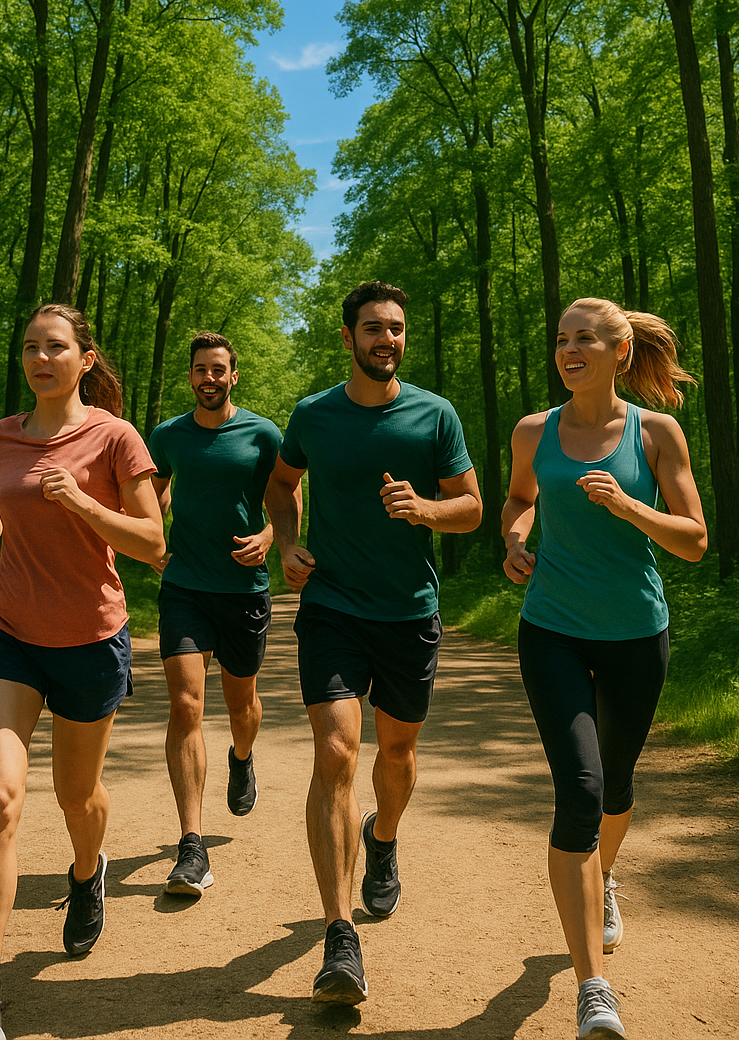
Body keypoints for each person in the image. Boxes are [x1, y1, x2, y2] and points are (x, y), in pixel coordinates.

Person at [0, 304, 165, 1040]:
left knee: (77, 793)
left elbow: (152, 544)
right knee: (0, 797)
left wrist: (83, 505)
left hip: (90, 639)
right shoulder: (0, 435)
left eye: (56, 347)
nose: (41, 358)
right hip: (7, 631)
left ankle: (86, 868)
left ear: (86, 359)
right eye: (30, 347)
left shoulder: (114, 437)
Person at [266, 280, 482, 1005]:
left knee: (397, 754)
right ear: (347, 337)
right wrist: (288, 544)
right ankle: (339, 935)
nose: (385, 340)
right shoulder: (314, 415)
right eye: (372, 329)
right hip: (331, 606)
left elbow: (474, 508)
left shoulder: (435, 414)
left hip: (409, 612)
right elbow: (281, 483)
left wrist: (424, 509)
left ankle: (383, 835)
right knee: (335, 752)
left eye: (395, 329)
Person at [501, 298, 707, 1040]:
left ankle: (603, 877)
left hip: (635, 635)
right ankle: (594, 986)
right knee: (581, 790)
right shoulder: (535, 431)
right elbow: (520, 501)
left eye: (585, 338)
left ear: (620, 351)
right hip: (551, 630)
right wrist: (516, 539)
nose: (569, 349)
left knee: (615, 786)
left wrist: (629, 507)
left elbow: (693, 539)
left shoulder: (656, 433)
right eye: (561, 338)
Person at [148, 331, 288, 897]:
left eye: (218, 370)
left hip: (244, 588)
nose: (209, 378)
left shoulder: (262, 432)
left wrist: (273, 536)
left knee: (241, 703)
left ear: (234, 376)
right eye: (200, 369)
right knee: (185, 703)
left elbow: (286, 493)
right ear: (190, 377)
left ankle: (242, 755)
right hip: (185, 586)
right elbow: (151, 492)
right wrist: (153, 543)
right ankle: (191, 844)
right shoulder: (167, 435)